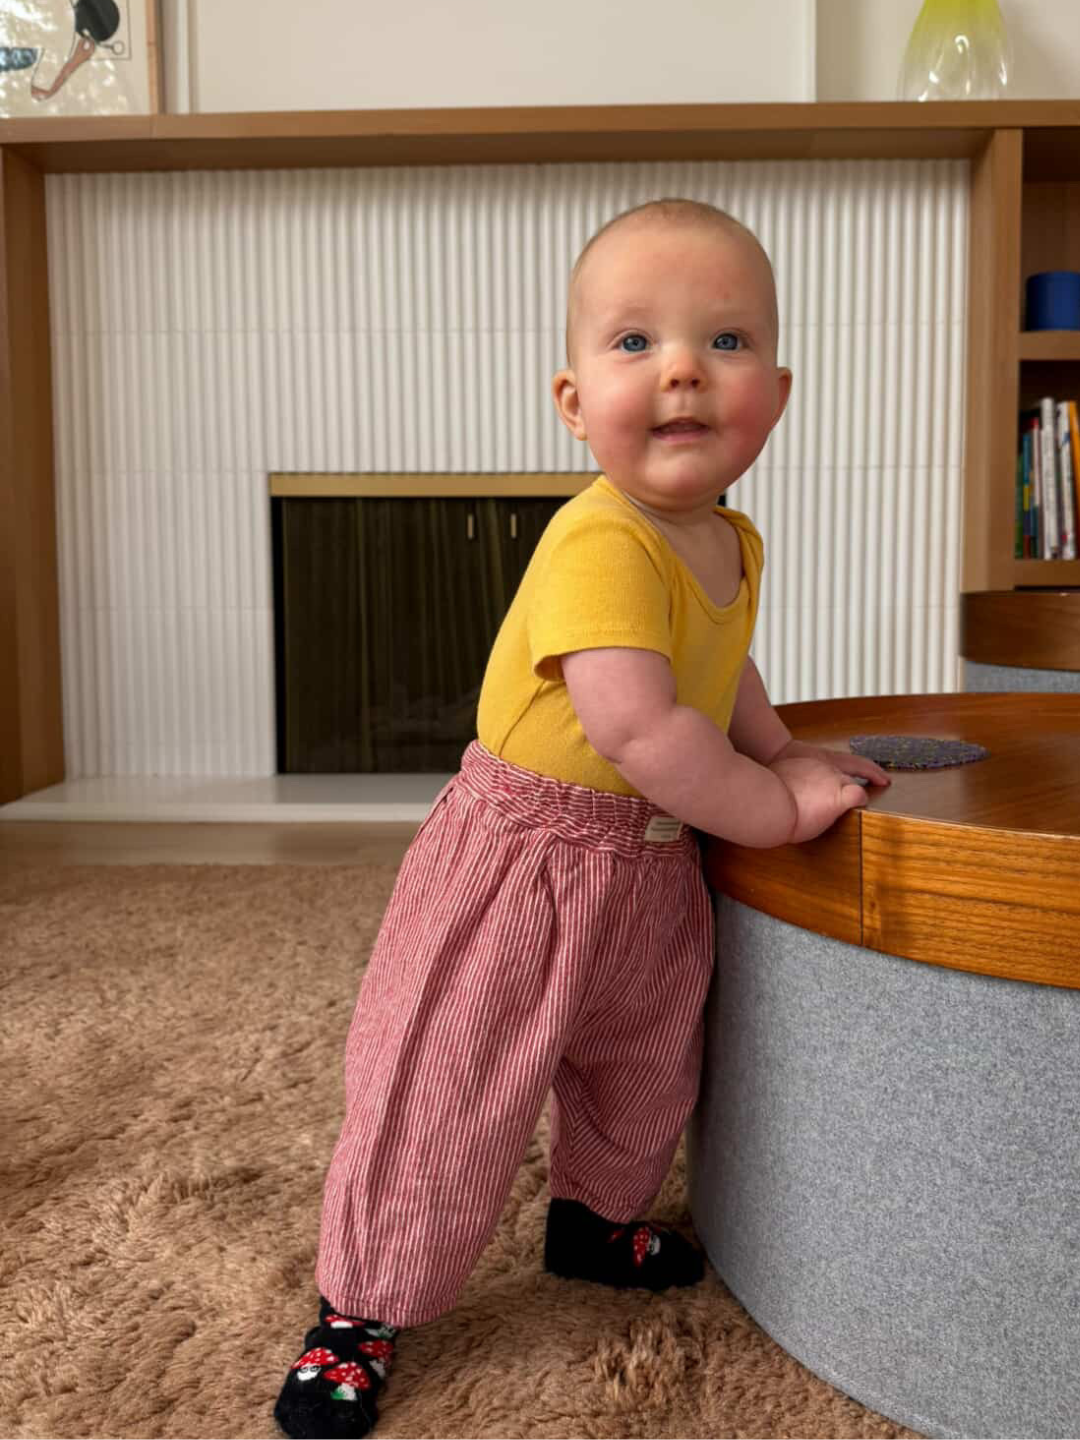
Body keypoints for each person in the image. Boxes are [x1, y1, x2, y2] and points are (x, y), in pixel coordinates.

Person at [273, 197, 890, 1440]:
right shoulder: (598, 539)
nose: (679, 369)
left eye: (723, 342)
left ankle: (594, 1219)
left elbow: (719, 679)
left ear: (775, 390)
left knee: (643, 1055)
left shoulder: (726, 539)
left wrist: (773, 746)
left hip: (653, 863)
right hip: (525, 858)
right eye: (633, 343)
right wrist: (768, 807)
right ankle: (360, 1309)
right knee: (446, 1076)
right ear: (571, 400)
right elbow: (641, 728)